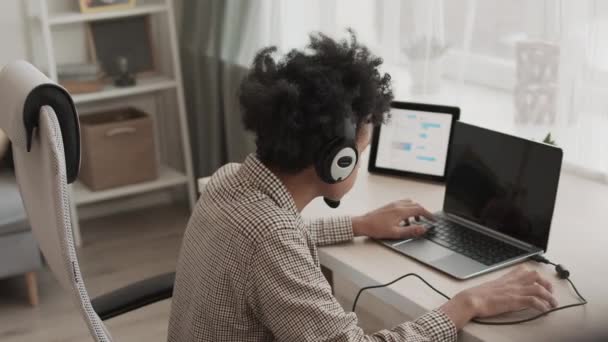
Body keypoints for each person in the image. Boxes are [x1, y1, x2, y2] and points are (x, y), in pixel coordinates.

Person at [168, 31, 557, 341]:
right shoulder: (271, 240)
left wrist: (358, 225)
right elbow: (275, 244)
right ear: (338, 161)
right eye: (363, 149)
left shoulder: (227, 181)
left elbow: (276, 239)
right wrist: (464, 304)